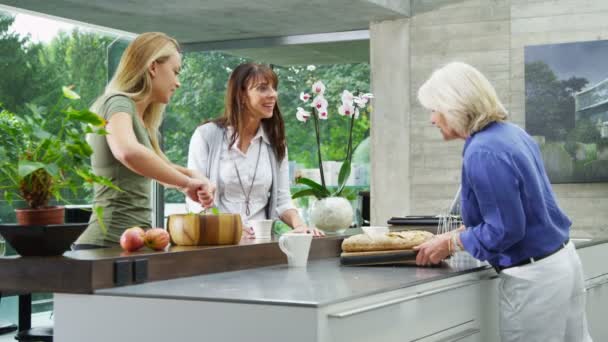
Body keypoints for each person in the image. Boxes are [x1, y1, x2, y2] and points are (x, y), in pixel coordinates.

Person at [413, 62, 592, 342]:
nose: (432, 119)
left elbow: (506, 229)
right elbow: (522, 211)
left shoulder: (483, 151)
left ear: (454, 106)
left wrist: (452, 243)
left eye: (434, 109)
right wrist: (459, 234)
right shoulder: (511, 134)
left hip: (535, 278)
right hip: (562, 262)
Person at [74, 32, 214, 249]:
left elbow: (159, 168)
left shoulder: (143, 121)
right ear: (153, 67)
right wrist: (186, 182)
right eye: (175, 72)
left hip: (137, 242)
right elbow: (128, 152)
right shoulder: (117, 102)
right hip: (106, 244)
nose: (178, 83)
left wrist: (193, 176)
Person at [187, 62, 323, 238]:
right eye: (262, 88)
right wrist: (230, 228)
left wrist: (301, 225)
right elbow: (195, 201)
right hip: (218, 242)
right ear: (241, 94)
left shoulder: (275, 141)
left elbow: (282, 200)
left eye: (273, 88)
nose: (273, 94)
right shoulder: (206, 135)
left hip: (261, 243)